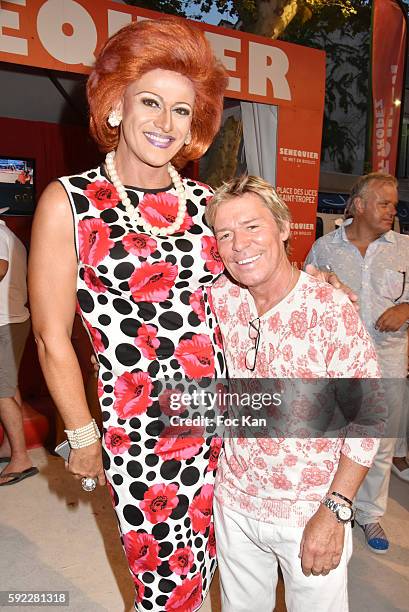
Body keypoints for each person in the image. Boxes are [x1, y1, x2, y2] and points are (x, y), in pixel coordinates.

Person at [29, 17, 229, 611]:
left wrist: (317, 283)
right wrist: (82, 433)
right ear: (115, 106)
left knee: (222, 561)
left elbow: (250, 292)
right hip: (142, 432)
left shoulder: (205, 203)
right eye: (150, 102)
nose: (165, 123)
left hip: (225, 417)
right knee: (165, 584)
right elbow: (48, 337)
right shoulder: (69, 202)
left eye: (182, 111)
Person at [204, 176, 382, 612]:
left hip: (309, 509)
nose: (239, 244)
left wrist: (336, 509)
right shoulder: (219, 296)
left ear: (283, 228)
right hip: (235, 501)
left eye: (252, 227)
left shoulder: (328, 308)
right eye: (225, 234)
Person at [305, 172, 409, 554]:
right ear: (359, 205)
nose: (392, 210)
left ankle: (369, 513)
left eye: (394, 204)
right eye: (384, 203)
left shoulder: (406, 249)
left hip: (388, 362)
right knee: (333, 437)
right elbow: (306, 299)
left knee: (379, 444)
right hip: (337, 365)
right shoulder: (324, 249)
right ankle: (329, 507)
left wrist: (406, 308)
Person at [0, 210, 38, 485]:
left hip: (5, 322)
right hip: (12, 319)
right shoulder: (8, 234)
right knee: (8, 387)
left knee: (1, 392)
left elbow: (0, 269)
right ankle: (10, 448)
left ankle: (21, 459)